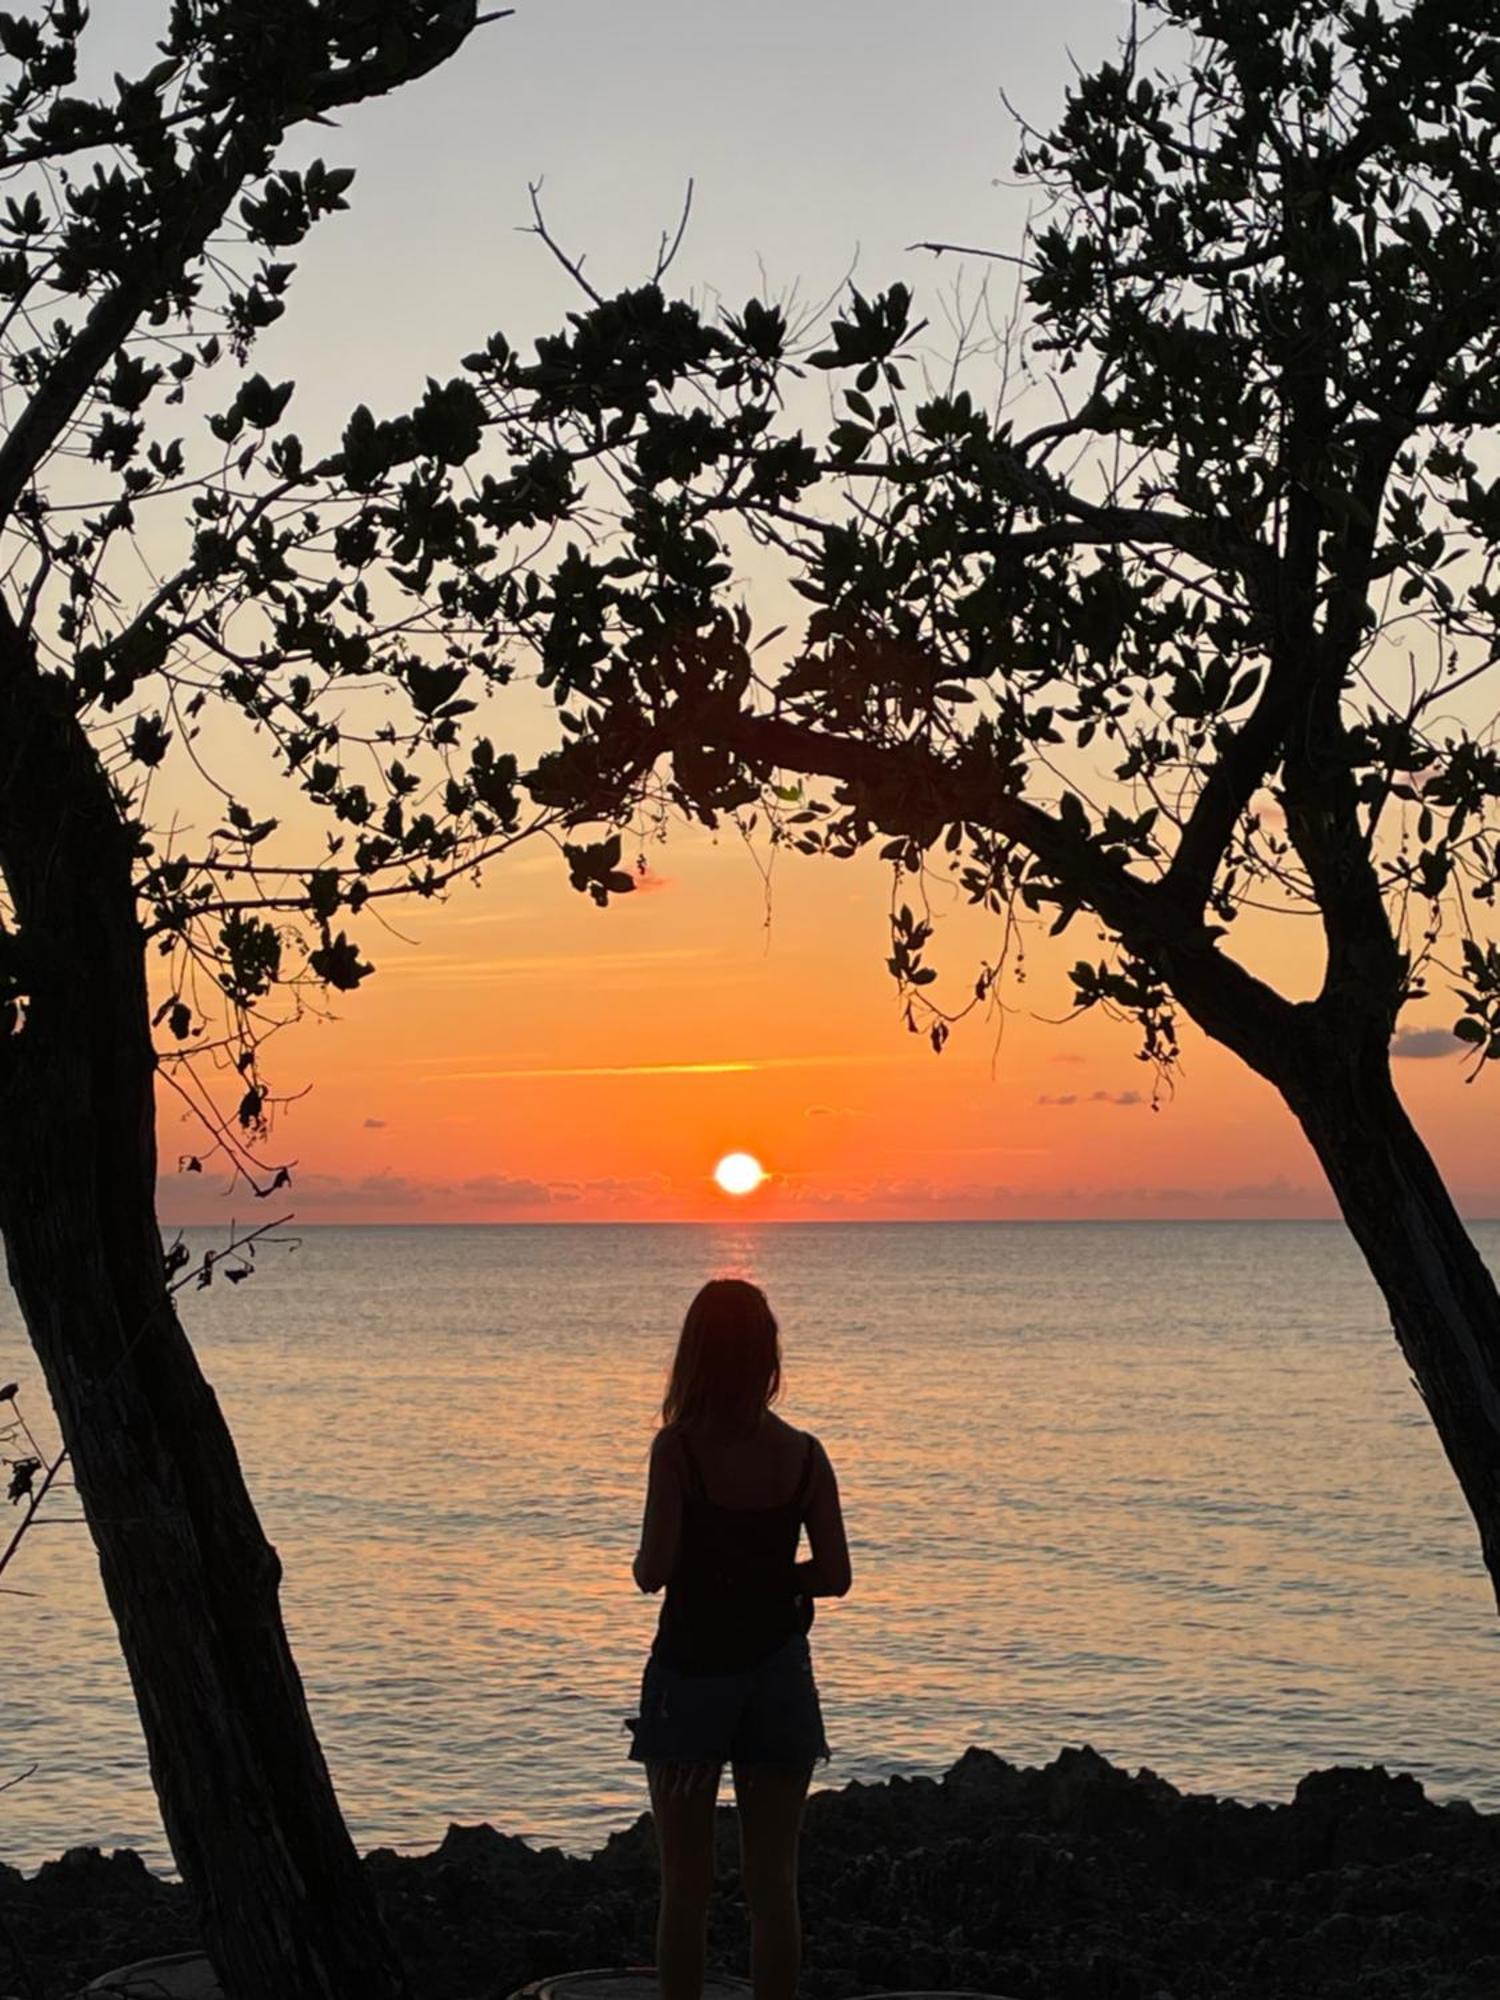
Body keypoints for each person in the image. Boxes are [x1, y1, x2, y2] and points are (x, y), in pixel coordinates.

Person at [628, 1278, 852, 2000]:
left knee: (686, 1888)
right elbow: (836, 1574)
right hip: (778, 1676)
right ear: (766, 1357)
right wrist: (773, 1578)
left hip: (692, 1674)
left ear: (694, 1356)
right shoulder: (805, 1455)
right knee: (774, 1886)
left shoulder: (678, 1452)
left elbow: (652, 1571)